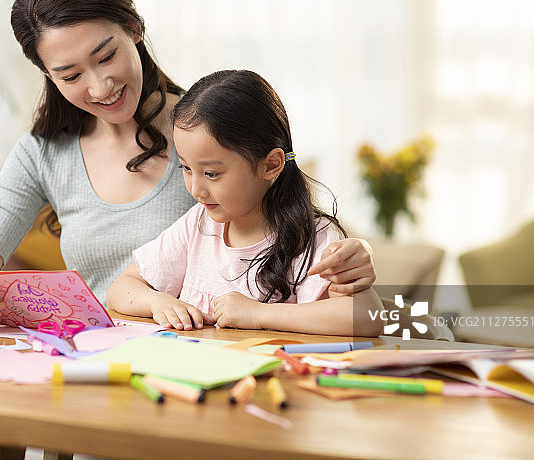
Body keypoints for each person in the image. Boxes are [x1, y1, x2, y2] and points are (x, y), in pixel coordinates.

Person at [0, 0, 377, 325]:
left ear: (134, 28)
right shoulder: (41, 153)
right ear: (48, 74)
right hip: (89, 361)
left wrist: (357, 255)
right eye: (70, 75)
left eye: (105, 57)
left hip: (203, 355)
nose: (101, 86)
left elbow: (297, 223)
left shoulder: (206, 127)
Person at [106, 70, 384, 335]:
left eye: (211, 173)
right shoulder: (198, 224)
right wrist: (159, 302)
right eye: (186, 168)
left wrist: (259, 315)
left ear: (271, 165)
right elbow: (120, 289)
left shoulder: (313, 236)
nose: (196, 189)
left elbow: (367, 317)